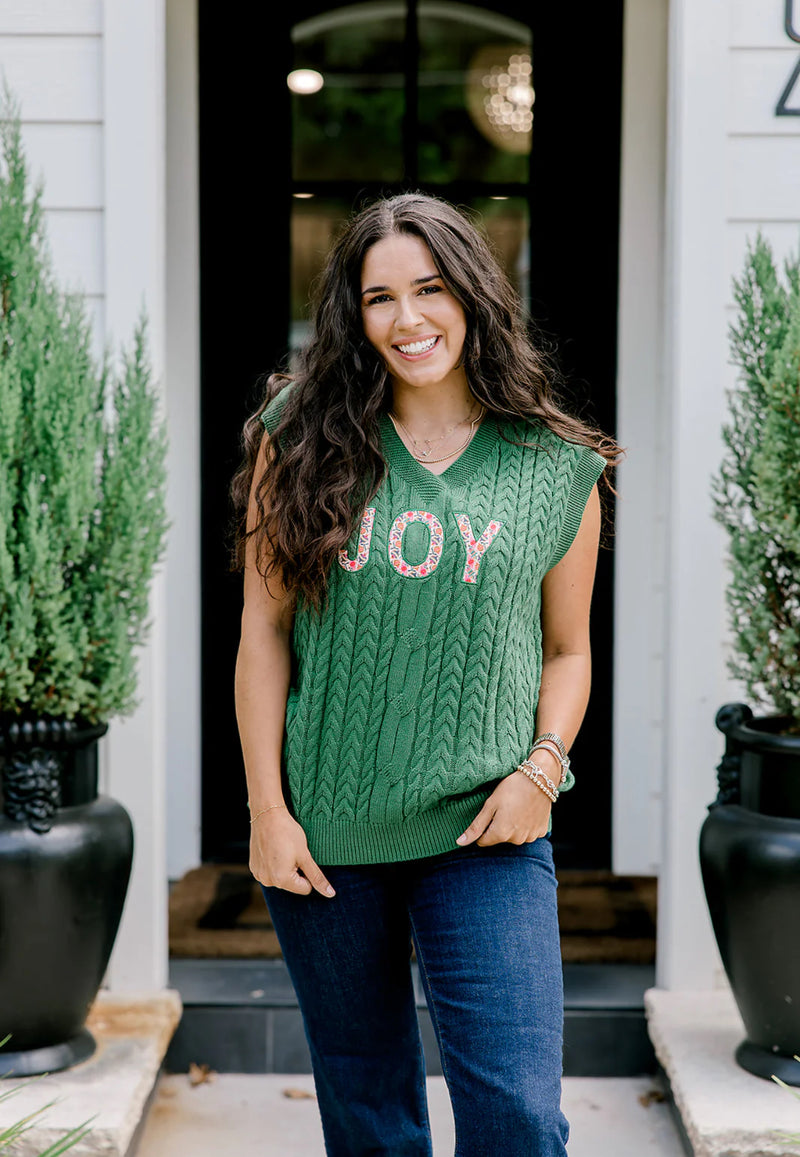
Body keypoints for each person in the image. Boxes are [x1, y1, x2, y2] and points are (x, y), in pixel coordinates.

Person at [232, 192, 622, 1157]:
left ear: (474, 296)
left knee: (520, 1116)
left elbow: (568, 651)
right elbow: (263, 632)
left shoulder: (558, 464)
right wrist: (268, 813)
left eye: (431, 289)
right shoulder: (304, 435)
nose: (408, 320)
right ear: (354, 318)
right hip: (327, 839)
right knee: (369, 1114)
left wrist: (541, 771)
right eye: (379, 299)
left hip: (484, 831)